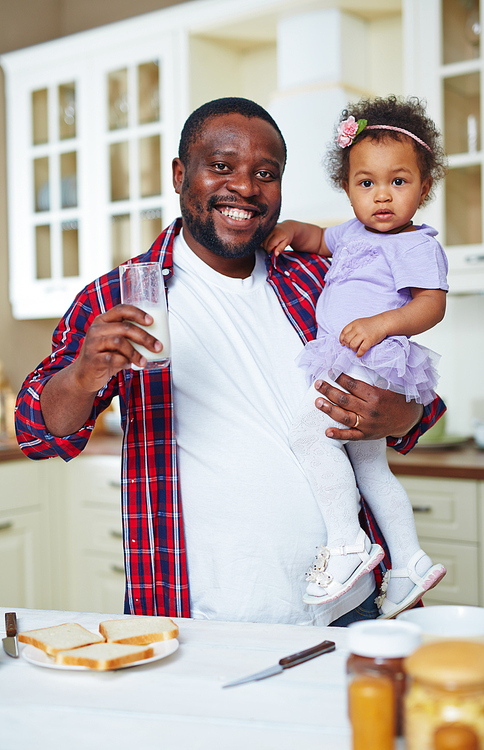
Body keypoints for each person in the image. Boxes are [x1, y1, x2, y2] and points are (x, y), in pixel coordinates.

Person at [15, 97, 445, 627]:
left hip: (349, 605)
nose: (244, 187)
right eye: (221, 167)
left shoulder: (315, 278)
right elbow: (39, 432)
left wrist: (401, 416)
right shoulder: (123, 296)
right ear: (180, 175)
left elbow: (414, 399)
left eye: (265, 173)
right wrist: (84, 374)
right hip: (200, 612)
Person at [263, 96, 448, 618]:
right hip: (343, 355)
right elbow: (318, 239)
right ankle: (408, 561)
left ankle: (348, 546)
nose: (382, 196)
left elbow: (431, 305)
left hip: (373, 356)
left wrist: (382, 324)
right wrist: (293, 231)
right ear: (347, 189)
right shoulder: (350, 233)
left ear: (423, 188)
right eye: (366, 183)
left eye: (399, 181)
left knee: (309, 433)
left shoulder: (415, 244)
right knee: (370, 467)